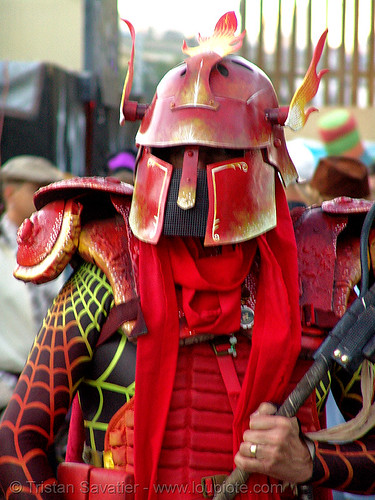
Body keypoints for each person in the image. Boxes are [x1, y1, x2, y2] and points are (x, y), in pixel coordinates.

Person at [0, 12, 374, 500]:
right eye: (173, 155)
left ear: (261, 158)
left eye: (213, 155)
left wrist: (308, 460)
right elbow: (17, 437)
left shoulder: (320, 274)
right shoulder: (109, 271)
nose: (187, 180)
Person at [0, 155, 66, 411]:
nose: (44, 197)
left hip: (49, 388)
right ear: (10, 193)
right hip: (7, 389)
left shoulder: (57, 246)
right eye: (35, 190)